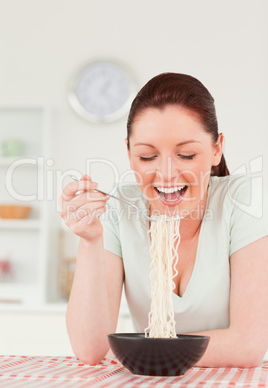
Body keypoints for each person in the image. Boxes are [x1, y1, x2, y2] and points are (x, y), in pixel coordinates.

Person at [59, 73, 268, 368]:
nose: (167, 173)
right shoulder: (120, 209)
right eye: (147, 157)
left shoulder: (243, 200)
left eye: (186, 154)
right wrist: (91, 239)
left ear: (216, 149)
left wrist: (142, 351)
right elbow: (90, 349)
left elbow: (247, 345)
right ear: (129, 154)